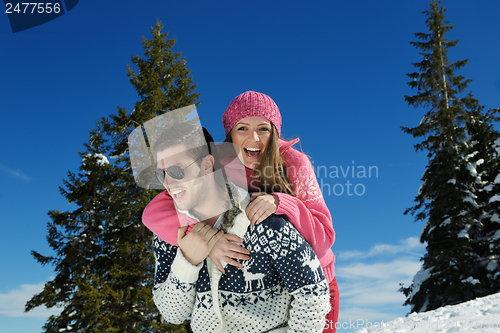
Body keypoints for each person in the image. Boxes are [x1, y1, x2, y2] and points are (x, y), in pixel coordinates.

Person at [143, 91, 339, 332]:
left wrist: (282, 203)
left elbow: (323, 240)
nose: (253, 137)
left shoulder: (293, 164)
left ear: (275, 133)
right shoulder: (223, 163)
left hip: (317, 275)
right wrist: (206, 240)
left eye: (264, 129)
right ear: (229, 136)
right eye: (242, 128)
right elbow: (154, 211)